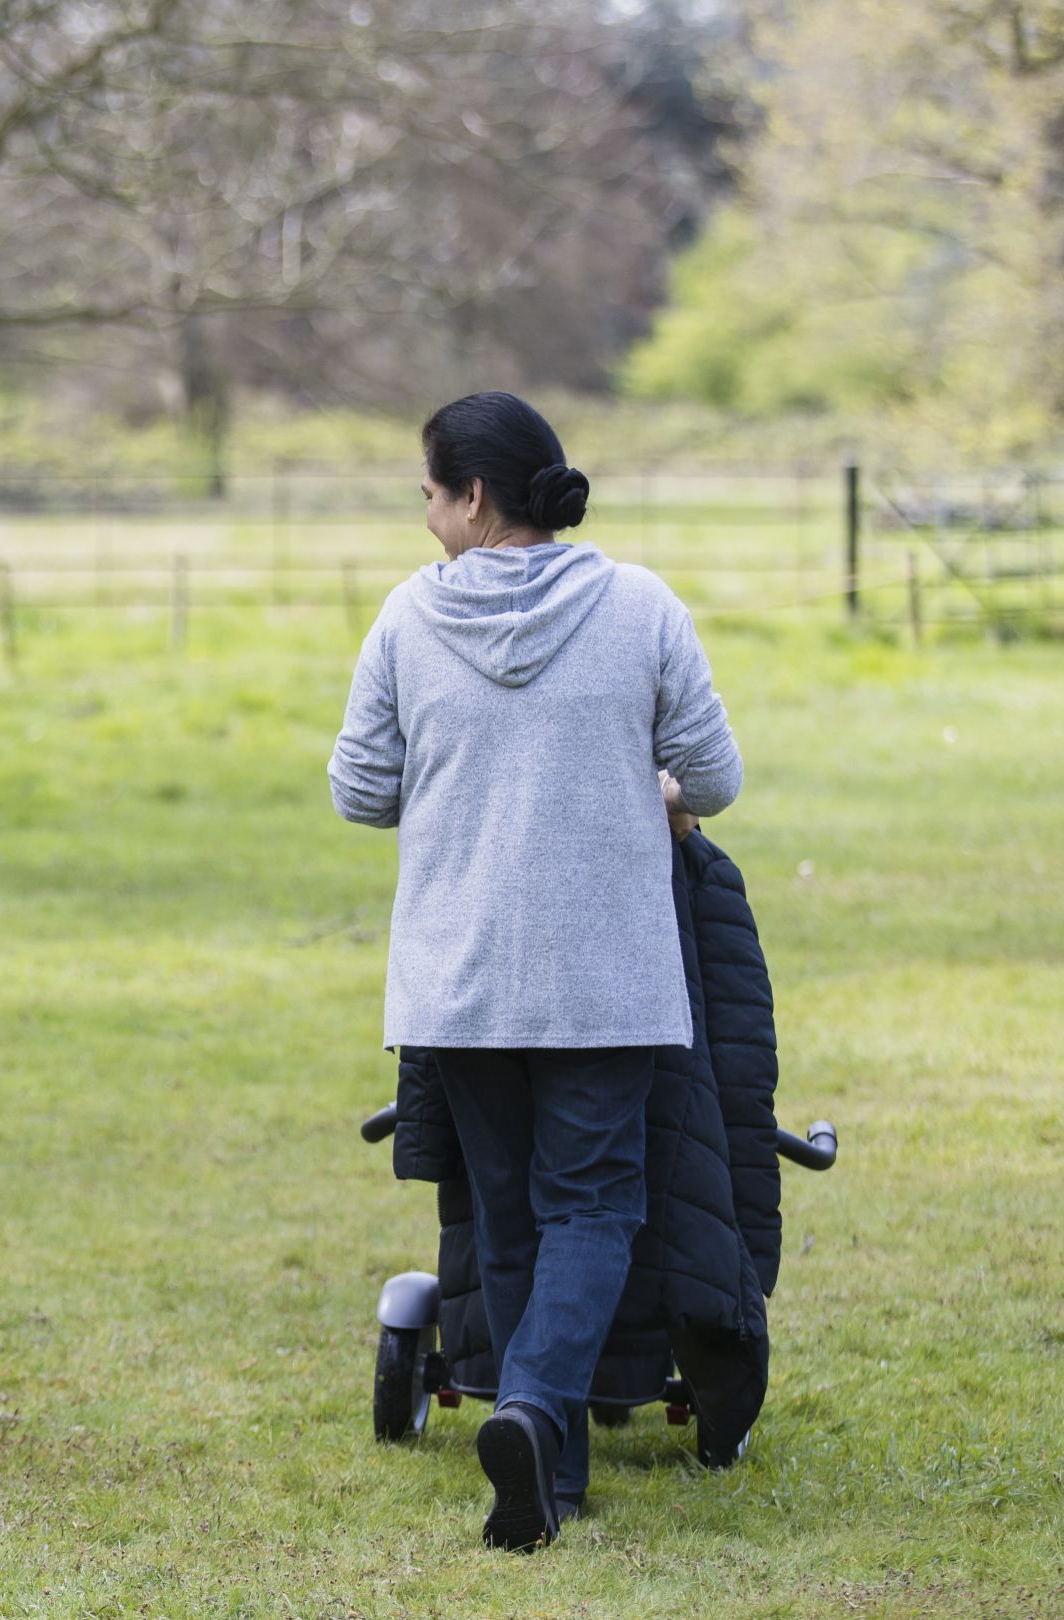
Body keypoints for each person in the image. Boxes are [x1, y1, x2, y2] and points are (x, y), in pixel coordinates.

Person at [327, 391, 741, 1551]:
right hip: (606, 975)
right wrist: (645, 789)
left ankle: (547, 1474)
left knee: (504, 1212)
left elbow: (358, 789)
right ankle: (533, 1415)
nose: (423, 517)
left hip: (457, 979)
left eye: (428, 493)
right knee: (596, 1202)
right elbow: (711, 773)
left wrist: (467, 781)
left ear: (473, 497)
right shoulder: (641, 605)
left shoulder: (408, 622)